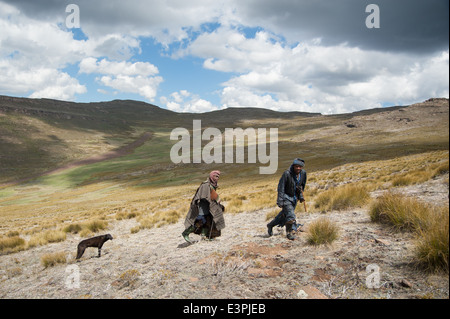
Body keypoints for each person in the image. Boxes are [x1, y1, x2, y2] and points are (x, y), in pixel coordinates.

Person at [267, 158, 307, 240]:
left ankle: (270, 225)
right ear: (293, 166)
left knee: (284, 215)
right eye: (296, 166)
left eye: (300, 167)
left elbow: (301, 186)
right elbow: (281, 187)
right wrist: (280, 200)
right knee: (291, 216)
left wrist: (301, 196)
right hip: (286, 197)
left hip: (294, 198)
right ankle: (289, 233)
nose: (298, 168)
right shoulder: (287, 173)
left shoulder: (303, 173)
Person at [182, 170, 225, 242]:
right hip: (202, 206)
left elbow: (212, 195)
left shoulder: (213, 184)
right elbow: (203, 196)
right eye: (215, 176)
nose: (217, 178)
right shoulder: (205, 185)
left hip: (209, 206)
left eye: (218, 176)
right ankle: (186, 233)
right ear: (211, 176)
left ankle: (205, 236)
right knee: (200, 220)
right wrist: (214, 199)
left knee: (209, 220)